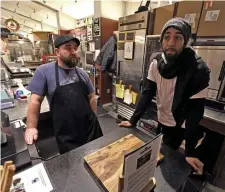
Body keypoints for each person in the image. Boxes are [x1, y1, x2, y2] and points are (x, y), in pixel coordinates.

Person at [120, 18, 222, 175]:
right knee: (160, 150)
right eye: (167, 37)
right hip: (162, 117)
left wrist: (189, 151)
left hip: (181, 123)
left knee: (167, 158)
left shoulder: (197, 70)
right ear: (162, 40)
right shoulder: (156, 63)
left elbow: (195, 112)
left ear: (185, 42)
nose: (171, 42)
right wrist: (133, 120)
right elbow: (147, 93)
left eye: (178, 37)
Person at [25, 35, 103, 154]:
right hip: (66, 134)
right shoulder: (44, 71)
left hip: (90, 129)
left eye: (75, 48)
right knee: (73, 167)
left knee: (98, 159)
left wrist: (95, 119)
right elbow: (35, 101)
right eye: (68, 48)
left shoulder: (82, 74)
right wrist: (31, 127)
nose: (73, 52)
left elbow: (91, 97)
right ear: (57, 52)